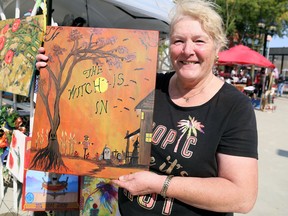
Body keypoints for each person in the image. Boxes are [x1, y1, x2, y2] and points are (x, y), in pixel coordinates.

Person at [36, 0, 258, 215]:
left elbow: (242, 196)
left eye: (199, 41)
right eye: (178, 40)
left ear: (217, 47)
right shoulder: (148, 85)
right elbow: (91, 91)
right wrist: (52, 65)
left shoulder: (234, 107)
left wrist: (159, 184)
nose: (187, 50)